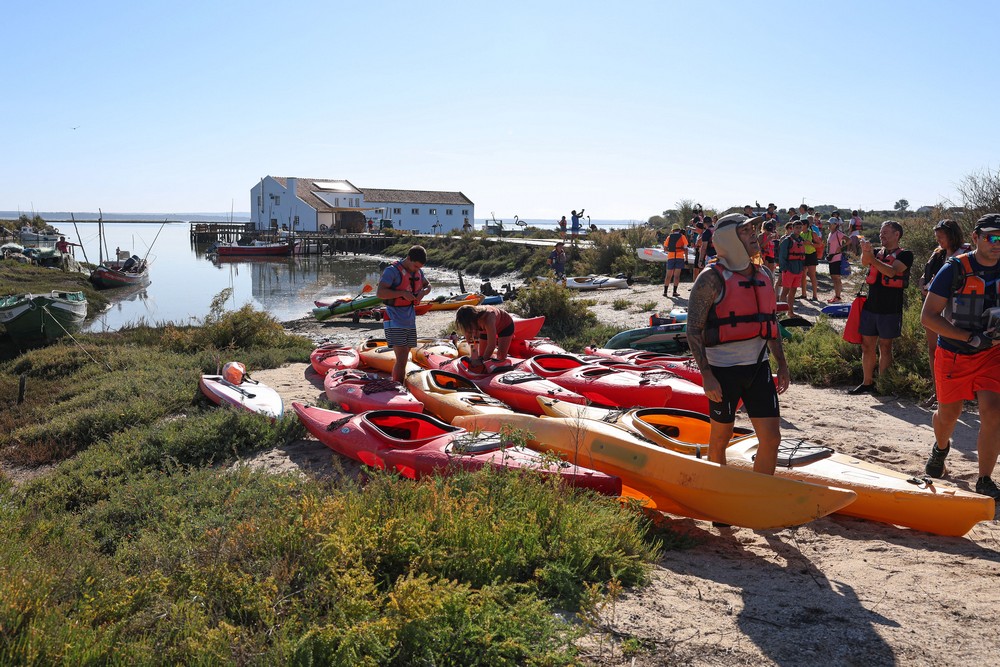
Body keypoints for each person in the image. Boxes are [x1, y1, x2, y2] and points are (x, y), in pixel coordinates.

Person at [686, 214, 789, 476]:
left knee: (772, 439)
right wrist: (707, 375)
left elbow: (771, 321)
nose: (754, 234)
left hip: (758, 367)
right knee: (721, 438)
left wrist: (783, 364)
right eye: (745, 231)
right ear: (729, 239)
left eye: (753, 229)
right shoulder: (710, 279)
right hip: (722, 372)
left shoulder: (763, 273)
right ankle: (717, 499)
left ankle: (758, 498)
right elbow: (693, 330)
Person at [920, 213, 1000, 500]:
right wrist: (968, 337)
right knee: (949, 414)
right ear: (976, 238)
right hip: (955, 353)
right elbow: (927, 317)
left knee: (994, 412)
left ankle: (985, 479)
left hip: (993, 353)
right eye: (991, 237)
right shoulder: (954, 269)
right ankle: (941, 448)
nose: (997, 243)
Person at [849, 221, 913, 395]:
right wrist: (867, 252)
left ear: (896, 235)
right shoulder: (877, 252)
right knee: (867, 346)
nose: (881, 236)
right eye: (880, 233)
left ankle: (883, 385)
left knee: (885, 347)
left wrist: (872, 259)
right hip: (871, 306)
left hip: (891, 308)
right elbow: (864, 263)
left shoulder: (906, 254)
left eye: (885, 232)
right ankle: (867, 382)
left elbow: (892, 272)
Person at [917, 219, 965, 408]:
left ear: (952, 236)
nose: (938, 240)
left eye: (941, 237)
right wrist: (923, 285)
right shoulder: (937, 255)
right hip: (935, 310)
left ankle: (956, 394)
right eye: (937, 237)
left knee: (956, 353)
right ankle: (938, 392)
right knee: (934, 351)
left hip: (958, 311)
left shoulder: (966, 255)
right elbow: (924, 276)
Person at [376, 245, 432, 382]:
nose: (417, 270)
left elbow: (428, 285)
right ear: (408, 258)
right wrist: (402, 293)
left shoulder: (418, 272)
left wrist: (422, 293)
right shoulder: (392, 271)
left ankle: (396, 383)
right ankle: (399, 387)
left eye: (419, 268)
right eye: (415, 267)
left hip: (409, 318)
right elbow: (380, 293)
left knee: (404, 358)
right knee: (401, 359)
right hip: (393, 316)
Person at [455, 304, 515, 373]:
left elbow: (492, 345)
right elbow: (472, 340)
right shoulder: (471, 322)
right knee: (481, 355)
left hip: (505, 326)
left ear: (473, 318)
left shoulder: (488, 318)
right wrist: (474, 358)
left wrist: (482, 361)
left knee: (500, 357)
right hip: (484, 329)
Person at [777, 221, 806, 315]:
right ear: (792, 228)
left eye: (800, 228)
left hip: (798, 269)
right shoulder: (787, 240)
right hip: (789, 269)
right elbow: (782, 256)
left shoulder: (801, 240)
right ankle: (781, 312)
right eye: (797, 227)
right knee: (785, 291)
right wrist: (784, 269)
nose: (798, 229)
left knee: (793, 291)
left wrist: (802, 268)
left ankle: (790, 312)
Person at [798, 205, 823, 300]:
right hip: (803, 256)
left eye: (802, 225)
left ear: (806, 226)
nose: (800, 227)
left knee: (812, 276)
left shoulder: (812, 233)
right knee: (803, 275)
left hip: (811, 255)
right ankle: (804, 294)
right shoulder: (800, 234)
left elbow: (819, 245)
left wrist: (811, 243)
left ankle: (815, 296)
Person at [825, 216, 847, 303]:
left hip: (837, 257)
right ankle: (837, 296)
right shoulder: (830, 233)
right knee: (834, 278)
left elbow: (848, 240)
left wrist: (841, 247)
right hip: (831, 257)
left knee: (836, 277)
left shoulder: (838, 233)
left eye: (830, 224)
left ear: (835, 224)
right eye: (828, 224)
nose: (829, 225)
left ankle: (838, 296)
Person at [663, 223, 688, 297]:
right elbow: (686, 249)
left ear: (673, 230)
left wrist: (671, 250)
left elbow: (665, 248)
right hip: (679, 257)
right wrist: (686, 259)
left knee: (668, 276)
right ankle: (674, 292)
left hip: (671, 257)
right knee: (676, 276)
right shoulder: (682, 237)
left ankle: (665, 292)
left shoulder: (669, 237)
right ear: (679, 230)